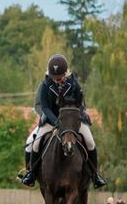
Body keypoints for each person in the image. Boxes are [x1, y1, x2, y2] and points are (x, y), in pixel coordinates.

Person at [19, 54, 107, 188]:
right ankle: (30, 174)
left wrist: (75, 117)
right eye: (55, 78)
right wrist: (56, 122)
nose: (57, 80)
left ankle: (95, 175)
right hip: (51, 120)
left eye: (60, 77)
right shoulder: (45, 85)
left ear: (66, 73)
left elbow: (81, 104)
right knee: (31, 143)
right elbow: (45, 107)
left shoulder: (73, 83)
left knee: (90, 141)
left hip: (72, 121)